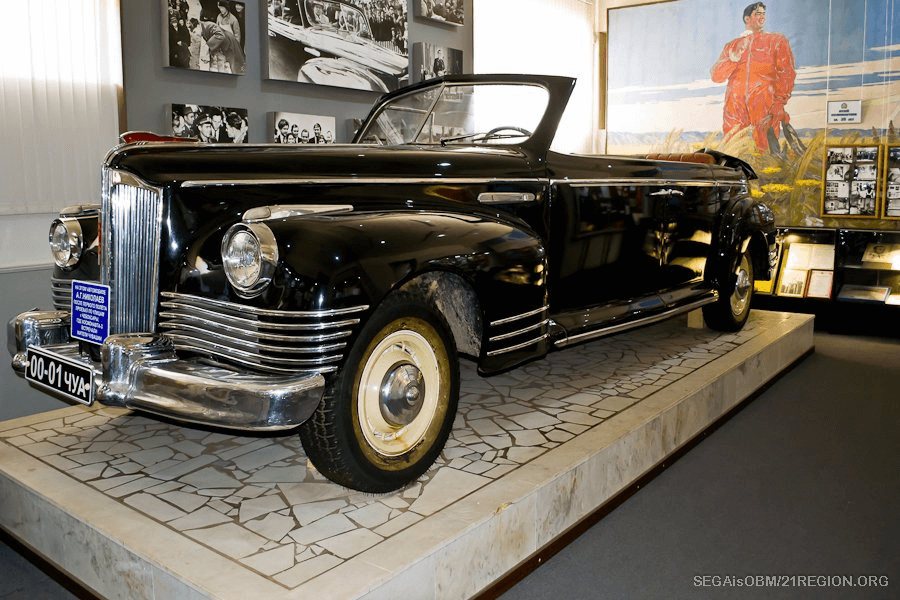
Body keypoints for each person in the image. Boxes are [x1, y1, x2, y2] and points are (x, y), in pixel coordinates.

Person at [711, 2, 795, 153]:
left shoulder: (776, 41)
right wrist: (733, 59)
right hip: (734, 107)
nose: (762, 17)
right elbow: (716, 76)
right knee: (734, 151)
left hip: (764, 104)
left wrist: (779, 102)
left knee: (765, 151)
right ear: (747, 18)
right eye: (757, 14)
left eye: (763, 14)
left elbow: (787, 73)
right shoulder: (733, 46)